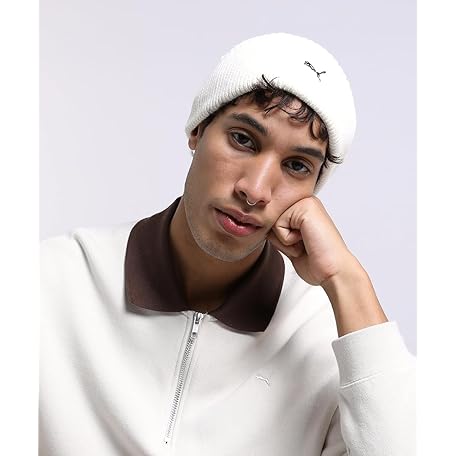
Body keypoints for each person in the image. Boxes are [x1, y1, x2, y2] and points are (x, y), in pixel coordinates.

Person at [40, 33, 415, 455]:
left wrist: (347, 279)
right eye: (243, 140)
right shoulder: (50, 282)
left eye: (296, 165)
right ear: (197, 130)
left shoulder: (332, 343)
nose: (255, 190)